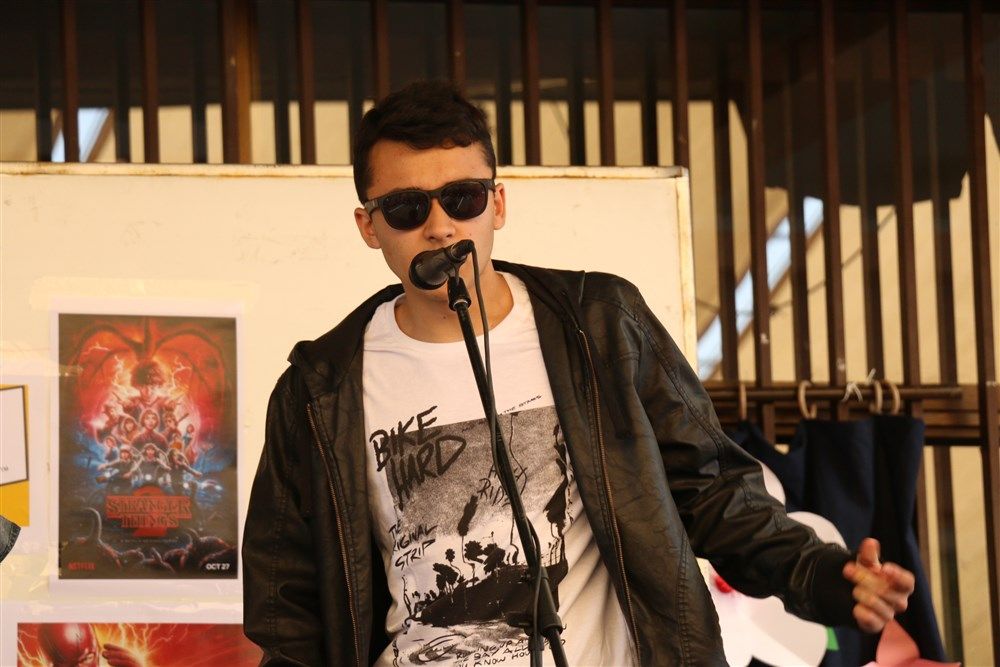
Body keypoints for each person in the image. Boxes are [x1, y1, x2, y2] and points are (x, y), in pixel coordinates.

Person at [242, 80, 914, 666]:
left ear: (498, 204)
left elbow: (710, 491)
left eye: (463, 198)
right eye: (408, 209)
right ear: (369, 226)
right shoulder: (320, 388)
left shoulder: (599, 325)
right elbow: (289, 604)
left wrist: (822, 574)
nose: (441, 227)